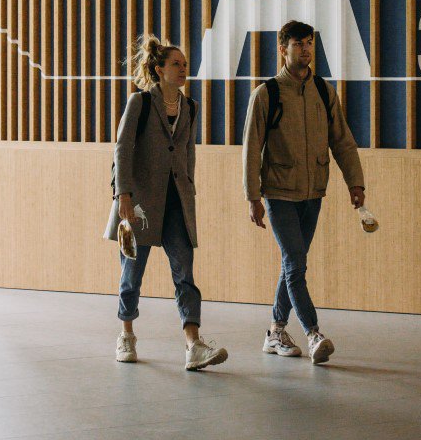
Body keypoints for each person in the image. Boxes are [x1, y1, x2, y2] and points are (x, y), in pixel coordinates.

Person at [243, 20, 365, 365]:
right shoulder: (267, 94)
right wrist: (253, 197)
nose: (306, 49)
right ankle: (314, 333)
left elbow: (342, 141)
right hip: (279, 193)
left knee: (292, 265)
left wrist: (355, 183)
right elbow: (251, 149)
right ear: (283, 49)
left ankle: (275, 331)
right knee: (296, 264)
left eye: (310, 43)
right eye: (299, 44)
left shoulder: (324, 92)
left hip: (313, 192)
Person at [104, 35, 228, 371]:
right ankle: (126, 334)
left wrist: (190, 189)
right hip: (140, 202)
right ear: (159, 69)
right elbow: (122, 149)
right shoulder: (140, 103)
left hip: (177, 204)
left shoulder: (190, 107)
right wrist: (123, 195)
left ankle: (193, 344)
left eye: (185, 64)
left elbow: (188, 151)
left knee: (185, 272)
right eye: (176, 64)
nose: (183, 69)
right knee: (132, 273)